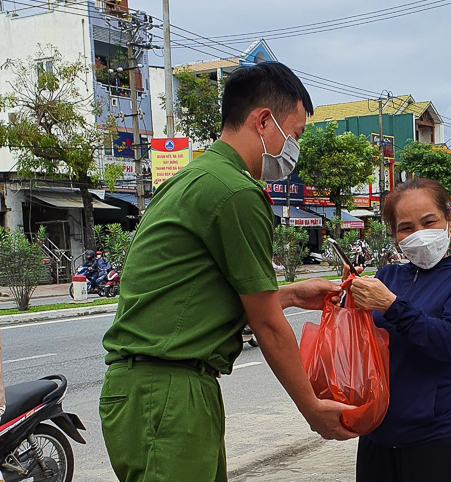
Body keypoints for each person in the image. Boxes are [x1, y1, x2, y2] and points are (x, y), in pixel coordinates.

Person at [99, 62, 357, 482]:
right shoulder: (236, 192)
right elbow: (269, 327)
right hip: (168, 392)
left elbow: (200, 286)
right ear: (262, 121)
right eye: (294, 135)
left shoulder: (197, 177)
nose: (294, 148)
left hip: (156, 389)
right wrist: (313, 408)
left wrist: (289, 294)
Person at [346, 178, 451, 482]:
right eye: (406, 227)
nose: (420, 235)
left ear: (448, 219)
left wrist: (391, 306)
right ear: (395, 236)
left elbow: (449, 342)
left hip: (437, 431)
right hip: (378, 429)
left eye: (429, 221)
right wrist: (349, 297)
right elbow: (359, 341)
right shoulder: (387, 276)